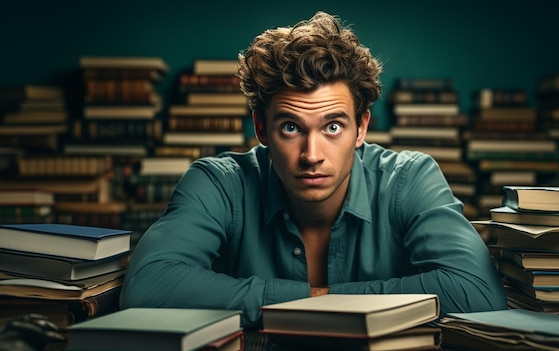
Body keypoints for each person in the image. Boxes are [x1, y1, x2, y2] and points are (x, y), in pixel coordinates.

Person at [120, 11, 507, 328]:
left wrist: (307, 301)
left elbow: (478, 292)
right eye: (291, 127)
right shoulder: (219, 183)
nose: (311, 154)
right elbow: (148, 288)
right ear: (261, 129)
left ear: (363, 128)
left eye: (333, 127)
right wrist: (318, 300)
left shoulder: (410, 179)